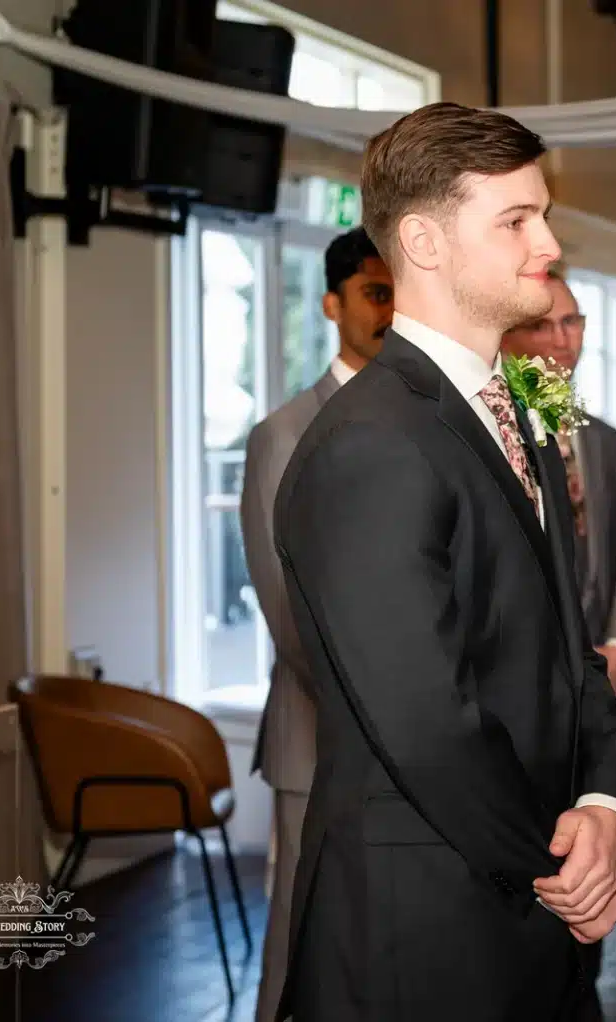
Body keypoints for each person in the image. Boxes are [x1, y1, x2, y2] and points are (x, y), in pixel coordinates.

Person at [270, 101, 616, 1022]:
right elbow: (426, 720)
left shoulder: (521, 411)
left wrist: (603, 804)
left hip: (534, 896)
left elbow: (568, 645)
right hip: (424, 923)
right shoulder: (371, 442)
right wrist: (561, 867)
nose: (546, 244)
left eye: (542, 215)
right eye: (515, 221)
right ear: (424, 243)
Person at [239, 226, 392, 1022]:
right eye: (373, 293)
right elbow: (286, 610)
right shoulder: (284, 434)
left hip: (411, 746)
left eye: (397, 292)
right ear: (332, 304)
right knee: (300, 942)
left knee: (386, 947)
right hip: (320, 737)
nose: (388, 310)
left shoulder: (420, 423)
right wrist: (379, 713)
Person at [500, 266, 616, 989]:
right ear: (507, 332)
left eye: (574, 324)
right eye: (544, 325)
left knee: (596, 863)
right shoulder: (487, 438)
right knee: (537, 877)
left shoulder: (607, 441)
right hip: (521, 705)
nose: (562, 343)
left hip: (600, 696)